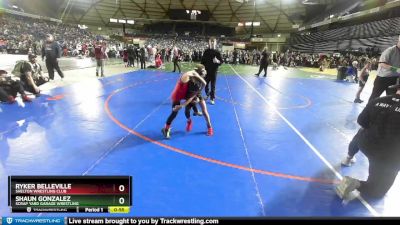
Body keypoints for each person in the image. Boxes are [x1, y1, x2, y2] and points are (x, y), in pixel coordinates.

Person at [336, 81, 400, 202]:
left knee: (362, 131)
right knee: (378, 192)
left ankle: (349, 157)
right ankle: (356, 184)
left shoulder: (378, 100)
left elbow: (362, 121)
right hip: (388, 155)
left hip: (365, 143)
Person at [162, 64, 213, 139]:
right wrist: (182, 105)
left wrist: (182, 105)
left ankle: (209, 127)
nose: (205, 72)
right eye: (203, 71)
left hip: (195, 93)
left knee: (205, 111)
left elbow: (201, 86)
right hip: (187, 94)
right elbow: (190, 97)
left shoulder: (199, 81)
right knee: (178, 112)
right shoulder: (192, 81)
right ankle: (167, 128)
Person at [368, 35, 400, 102]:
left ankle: (387, 112)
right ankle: (368, 111)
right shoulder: (390, 50)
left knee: (391, 100)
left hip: (394, 79)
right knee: (374, 97)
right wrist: (396, 69)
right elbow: (382, 64)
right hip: (382, 78)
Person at [201, 37, 222, 105]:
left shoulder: (217, 52)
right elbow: (202, 61)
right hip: (206, 72)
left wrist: (217, 61)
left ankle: (212, 98)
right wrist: (202, 69)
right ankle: (207, 94)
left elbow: (221, 61)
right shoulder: (206, 51)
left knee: (213, 86)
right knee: (205, 84)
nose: (212, 43)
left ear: (216, 43)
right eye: (211, 41)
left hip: (213, 72)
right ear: (209, 42)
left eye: (213, 41)